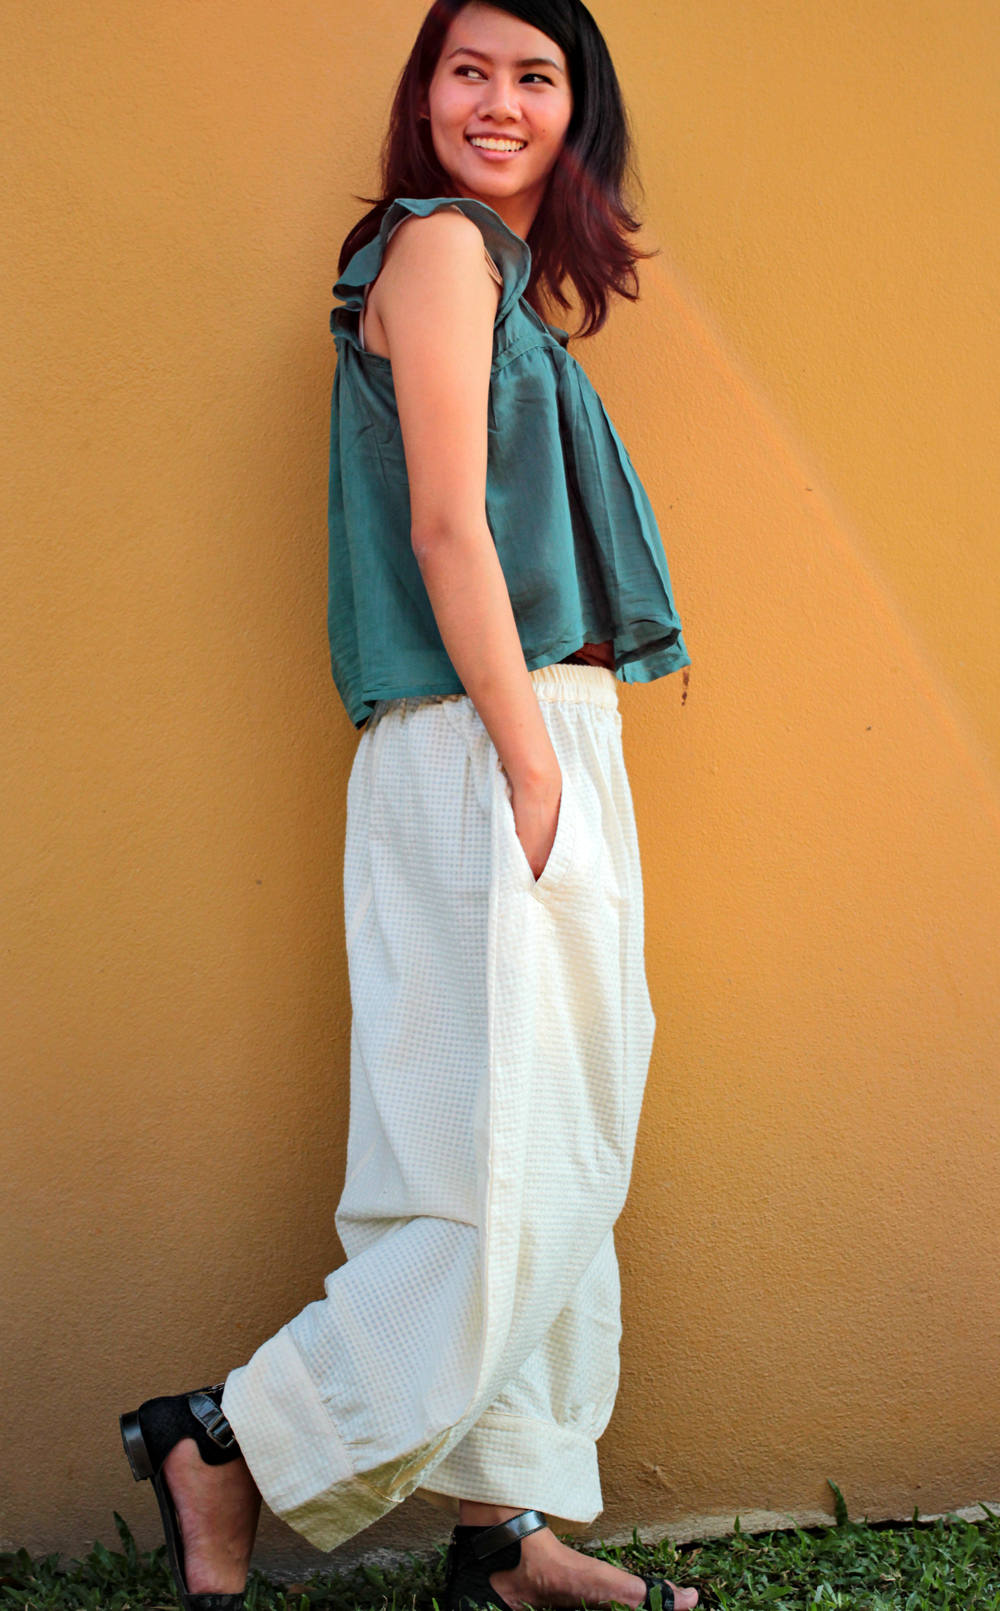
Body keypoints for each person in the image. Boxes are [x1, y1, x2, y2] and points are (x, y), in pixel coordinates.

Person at [118, 2, 698, 1608]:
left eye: (535, 77)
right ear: (423, 95)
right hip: (485, 741)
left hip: (521, 733)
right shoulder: (438, 249)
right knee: (506, 1161)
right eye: (469, 70)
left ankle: (503, 1535)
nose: (498, 102)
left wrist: (549, 752)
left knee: (539, 1147)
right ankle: (226, 1443)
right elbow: (450, 526)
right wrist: (531, 765)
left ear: (577, 112)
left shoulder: (492, 273)